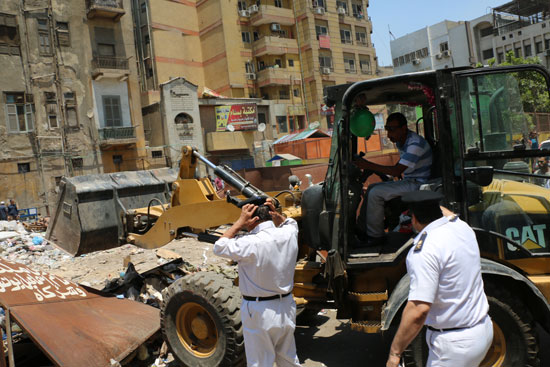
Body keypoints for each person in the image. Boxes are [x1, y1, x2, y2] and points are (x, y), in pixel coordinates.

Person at [386, 191, 493, 367]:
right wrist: (428, 199)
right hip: (482, 330)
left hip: (454, 346)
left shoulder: (425, 250)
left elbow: (419, 309)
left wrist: (394, 353)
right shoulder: (462, 227)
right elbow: (448, 215)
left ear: (414, 219)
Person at [213, 199, 301, 367]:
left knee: (260, 363)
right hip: (286, 306)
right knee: (289, 360)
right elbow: (290, 222)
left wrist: (239, 223)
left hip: (259, 311)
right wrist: (277, 214)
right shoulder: (289, 233)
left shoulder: (250, 242)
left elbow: (219, 246)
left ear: (253, 220)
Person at [354, 112, 432, 244]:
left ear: (403, 128)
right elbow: (399, 167)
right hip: (410, 180)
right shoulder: (403, 142)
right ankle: (362, 229)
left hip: (418, 183)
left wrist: (368, 165)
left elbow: (396, 171)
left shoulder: (415, 144)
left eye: (392, 130)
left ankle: (375, 237)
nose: (389, 135)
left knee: (375, 193)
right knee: (373, 187)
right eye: (387, 129)